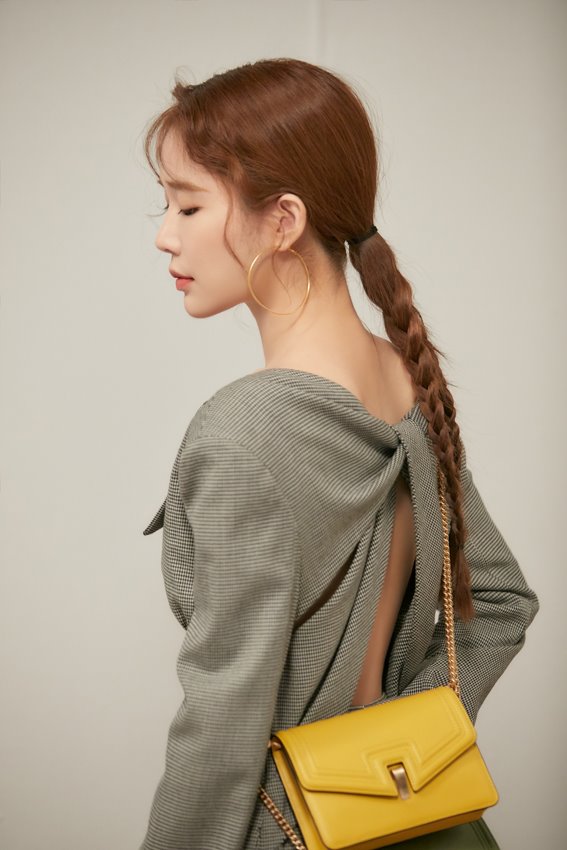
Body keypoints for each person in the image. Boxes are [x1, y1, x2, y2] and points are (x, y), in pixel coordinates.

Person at [137, 58, 539, 850]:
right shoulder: (406, 382)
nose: (165, 234)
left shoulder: (242, 434)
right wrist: (402, 750)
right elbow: (498, 601)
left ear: (283, 221)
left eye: (188, 204)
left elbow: (222, 723)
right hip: (424, 818)